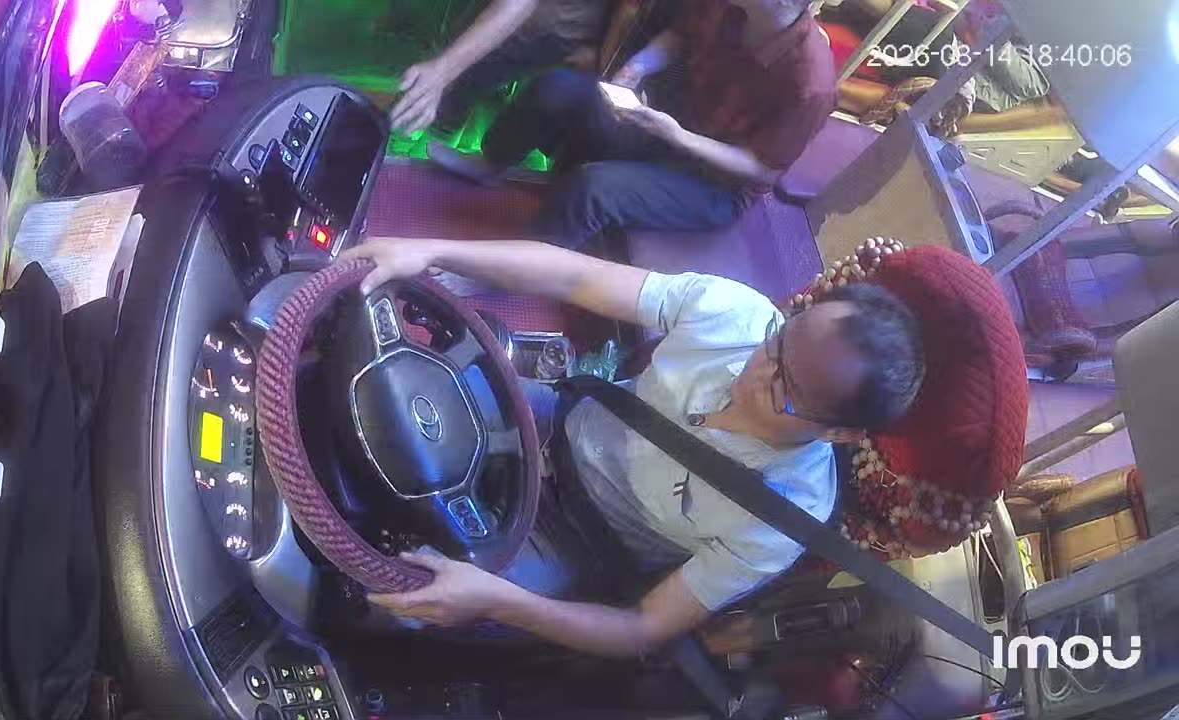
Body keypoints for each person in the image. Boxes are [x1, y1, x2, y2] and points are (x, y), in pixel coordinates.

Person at [340, 237, 925, 658]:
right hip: (552, 421)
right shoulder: (737, 314)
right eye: (779, 342)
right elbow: (575, 277)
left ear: (839, 433)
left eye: (785, 390)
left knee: (387, 600)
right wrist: (434, 251)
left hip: (579, 542)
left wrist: (493, 601)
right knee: (384, 390)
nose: (755, 373)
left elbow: (643, 628)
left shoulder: (785, 517)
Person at [426, 0, 836, 249]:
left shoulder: (810, 84)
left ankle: (516, 266)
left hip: (716, 184)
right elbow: (680, 35)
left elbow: (762, 169)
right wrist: (636, 68)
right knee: (559, 87)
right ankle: (490, 163)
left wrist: (679, 137)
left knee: (593, 188)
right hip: (674, 126)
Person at [390, 0, 612, 135]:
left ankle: (432, 146)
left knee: (462, 84)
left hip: (548, 33)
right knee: (457, 74)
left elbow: (518, 4)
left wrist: (441, 72)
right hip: (534, 23)